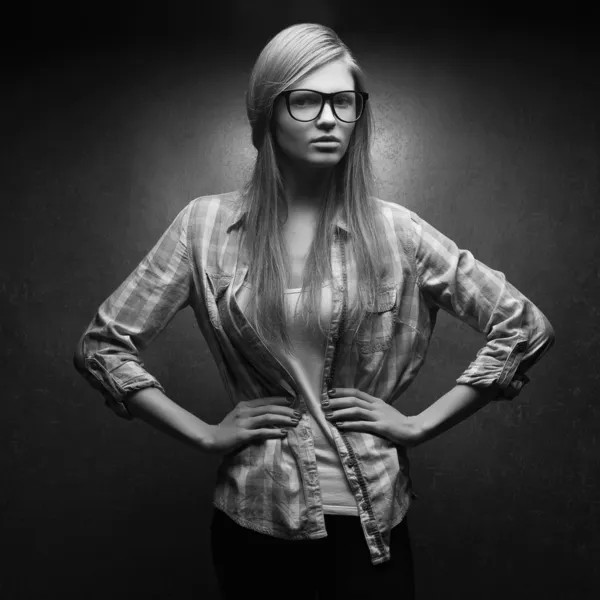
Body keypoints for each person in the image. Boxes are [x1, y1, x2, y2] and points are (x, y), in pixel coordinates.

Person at [73, 23, 555, 600]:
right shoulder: (204, 226)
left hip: (371, 519)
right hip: (255, 520)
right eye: (305, 100)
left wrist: (419, 426)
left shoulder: (394, 229)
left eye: (343, 102)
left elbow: (523, 326)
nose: (328, 118)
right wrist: (203, 434)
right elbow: (101, 346)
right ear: (267, 114)